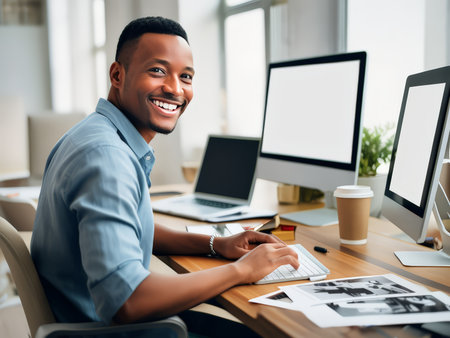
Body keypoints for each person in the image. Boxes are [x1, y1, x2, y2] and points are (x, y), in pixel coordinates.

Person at [30, 16, 299, 335]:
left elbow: (130, 225)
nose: (174, 88)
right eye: (157, 70)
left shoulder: (94, 135)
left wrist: (217, 244)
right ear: (118, 74)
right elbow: (127, 302)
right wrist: (242, 270)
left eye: (185, 76)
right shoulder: (107, 158)